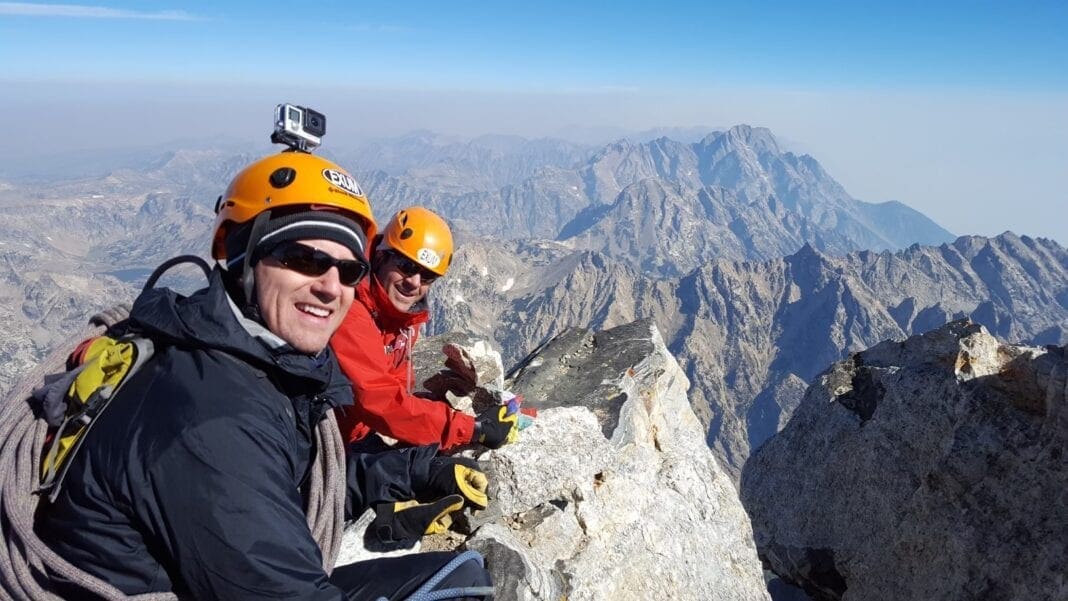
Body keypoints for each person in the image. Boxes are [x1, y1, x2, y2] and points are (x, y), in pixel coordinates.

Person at [33, 151, 492, 600]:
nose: (331, 287)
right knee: (461, 583)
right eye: (305, 259)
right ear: (241, 254)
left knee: (464, 573)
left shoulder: (249, 366)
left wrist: (412, 470)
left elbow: (283, 485)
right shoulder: (211, 419)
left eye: (349, 269)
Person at [332, 207, 517, 452]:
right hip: (321, 448)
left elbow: (395, 388)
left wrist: (424, 413)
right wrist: (473, 429)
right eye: (406, 265)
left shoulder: (403, 318)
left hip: (356, 438)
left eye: (427, 276)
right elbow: (378, 399)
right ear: (380, 256)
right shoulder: (349, 309)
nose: (414, 283)